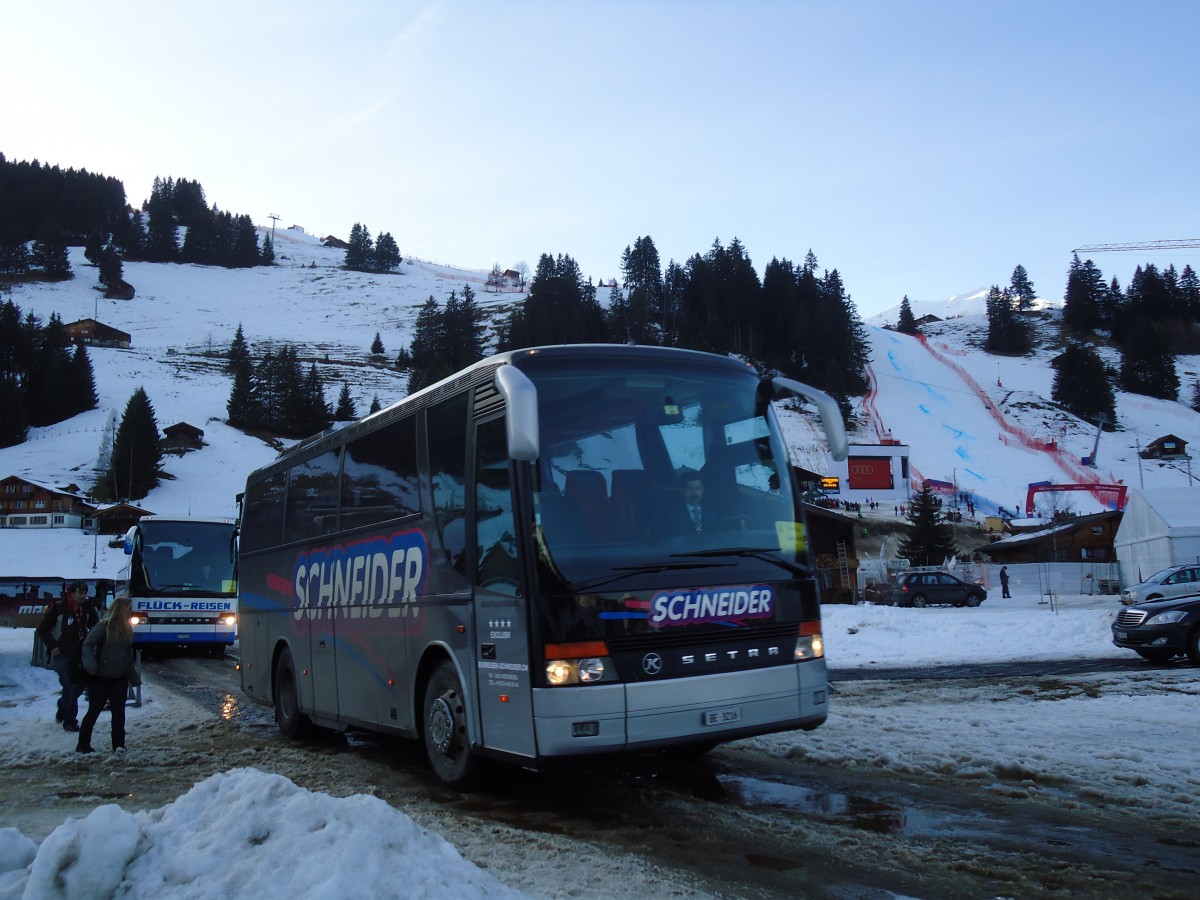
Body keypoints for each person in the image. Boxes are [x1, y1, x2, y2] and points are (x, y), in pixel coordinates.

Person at [76, 594, 140, 755]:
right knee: (94, 710)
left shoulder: (126, 628)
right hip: (100, 676)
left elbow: (127, 655)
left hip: (120, 677)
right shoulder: (104, 626)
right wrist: (91, 665)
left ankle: (118, 744)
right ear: (120, 609)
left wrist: (133, 676)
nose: (131, 611)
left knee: (119, 712)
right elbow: (87, 644)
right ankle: (83, 744)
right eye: (128, 608)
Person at [35, 581, 99, 732]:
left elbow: (96, 628)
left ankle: (63, 705)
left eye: (85, 593)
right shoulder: (59, 608)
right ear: (72, 593)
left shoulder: (88, 608)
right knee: (70, 684)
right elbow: (42, 630)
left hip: (81, 653)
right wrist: (52, 645)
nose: (83, 596)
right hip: (62, 653)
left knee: (78, 686)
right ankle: (70, 721)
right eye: (80, 593)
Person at [665, 467, 708, 535]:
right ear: (682, 491)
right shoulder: (672, 516)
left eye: (697, 488)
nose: (694, 493)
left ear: (702, 490)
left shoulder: (710, 515)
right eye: (689, 488)